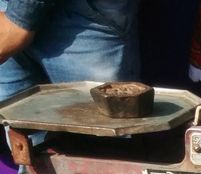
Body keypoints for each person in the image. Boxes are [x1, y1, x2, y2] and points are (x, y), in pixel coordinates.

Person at [0, 0, 140, 102]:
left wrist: (21, 16)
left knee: (100, 124)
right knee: (20, 125)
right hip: (6, 11)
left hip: (85, 14)